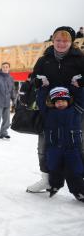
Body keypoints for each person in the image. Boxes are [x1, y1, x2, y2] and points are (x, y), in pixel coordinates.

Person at [27, 26, 84, 192]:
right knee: (45, 145)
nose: (61, 43)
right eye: (58, 40)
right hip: (50, 109)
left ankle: (79, 185)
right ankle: (46, 179)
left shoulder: (80, 59)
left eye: (65, 40)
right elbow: (34, 77)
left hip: (75, 109)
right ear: (53, 40)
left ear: (71, 42)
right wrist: (37, 81)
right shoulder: (44, 59)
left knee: (77, 145)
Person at [36, 85, 84, 201]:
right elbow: (41, 102)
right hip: (54, 148)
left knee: (75, 170)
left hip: (72, 148)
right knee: (54, 168)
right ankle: (55, 185)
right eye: (57, 101)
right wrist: (43, 88)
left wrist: (76, 88)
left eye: (63, 100)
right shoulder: (48, 113)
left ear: (68, 100)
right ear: (53, 103)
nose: (60, 103)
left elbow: (82, 99)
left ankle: (79, 191)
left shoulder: (76, 110)